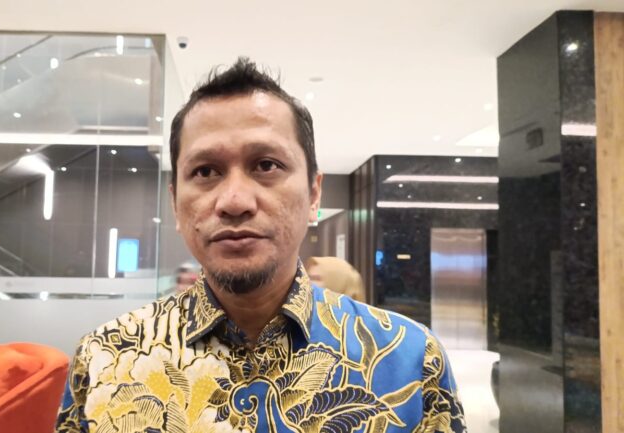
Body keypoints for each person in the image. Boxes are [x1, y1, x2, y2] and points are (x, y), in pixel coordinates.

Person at [55, 58, 466, 433]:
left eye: (266, 165)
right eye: (206, 171)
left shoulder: (411, 361)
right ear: (175, 203)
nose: (234, 201)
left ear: (314, 194)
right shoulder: (104, 359)